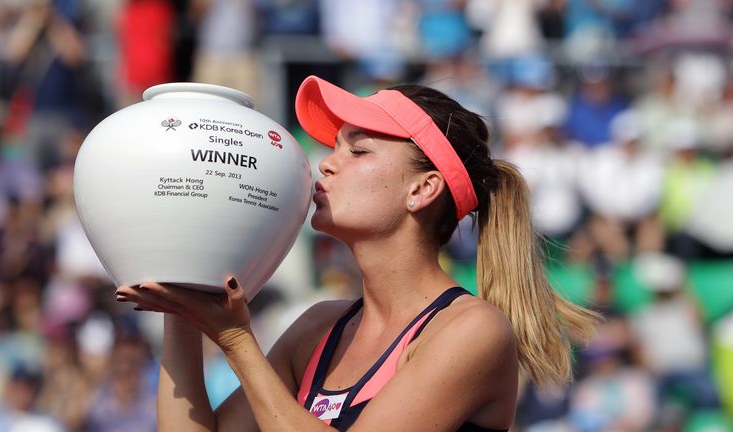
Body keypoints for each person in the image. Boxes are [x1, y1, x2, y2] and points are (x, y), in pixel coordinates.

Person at [115, 75, 599, 431]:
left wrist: (238, 344)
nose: (326, 163)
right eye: (334, 147)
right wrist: (180, 303)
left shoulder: (472, 330)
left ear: (422, 189)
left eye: (359, 151)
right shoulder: (318, 326)